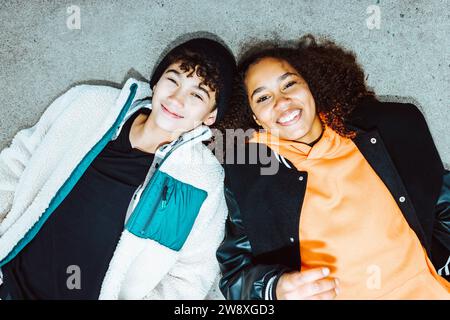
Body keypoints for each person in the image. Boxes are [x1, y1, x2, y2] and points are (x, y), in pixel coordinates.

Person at [0, 37, 236, 300]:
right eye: (173, 80)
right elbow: (18, 160)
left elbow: (192, 275)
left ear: (210, 116)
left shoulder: (202, 179)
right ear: (156, 83)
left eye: (197, 95)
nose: (177, 99)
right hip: (8, 281)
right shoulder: (91, 105)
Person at [217, 35, 450, 300]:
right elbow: (234, 274)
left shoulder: (392, 127)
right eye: (263, 98)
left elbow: (443, 202)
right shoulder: (248, 173)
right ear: (254, 116)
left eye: (289, 84)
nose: (281, 102)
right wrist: (276, 288)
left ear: (311, 85)